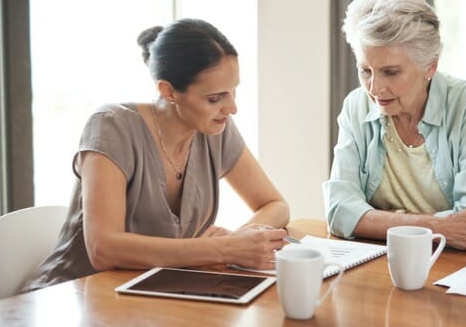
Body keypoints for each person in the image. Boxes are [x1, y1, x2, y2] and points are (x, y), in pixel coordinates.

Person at [23, 18, 290, 292]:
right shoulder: (112, 126)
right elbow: (103, 249)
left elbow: (275, 205)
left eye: (234, 92)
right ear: (168, 91)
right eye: (215, 98)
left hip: (152, 298)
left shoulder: (215, 130)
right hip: (69, 298)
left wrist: (240, 239)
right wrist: (221, 249)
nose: (231, 108)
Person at [323, 0, 466, 252]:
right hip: (397, 261)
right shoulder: (356, 106)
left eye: (390, 72)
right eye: (365, 71)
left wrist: (373, 221)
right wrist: (441, 227)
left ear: (430, 65)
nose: (374, 89)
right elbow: (339, 211)